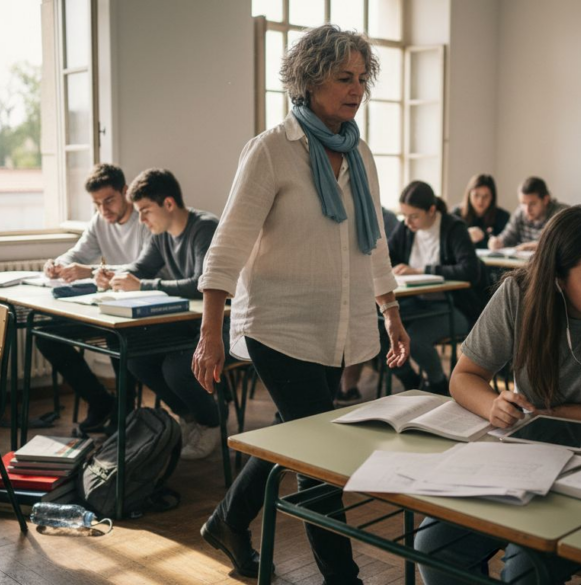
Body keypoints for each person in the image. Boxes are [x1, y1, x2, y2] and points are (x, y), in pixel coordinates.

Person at [190, 25, 409, 584]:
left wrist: (390, 312)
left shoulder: (359, 153)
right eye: (343, 78)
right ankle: (343, 576)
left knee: (295, 433)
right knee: (319, 455)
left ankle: (227, 521)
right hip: (278, 326)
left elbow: (373, 243)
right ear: (309, 81)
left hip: (337, 327)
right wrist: (210, 332)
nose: (356, 89)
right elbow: (228, 245)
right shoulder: (271, 150)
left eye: (361, 78)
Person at [414, 205, 581, 584]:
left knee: (526, 568)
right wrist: (492, 404)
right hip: (530, 461)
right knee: (433, 543)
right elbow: (464, 376)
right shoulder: (519, 294)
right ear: (558, 279)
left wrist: (553, 412)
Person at [94, 168, 222, 460]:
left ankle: (211, 422)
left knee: (177, 369)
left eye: (145, 211)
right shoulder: (160, 235)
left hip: (216, 324)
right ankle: (190, 417)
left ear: (168, 203)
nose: (141, 219)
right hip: (184, 323)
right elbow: (141, 268)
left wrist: (142, 285)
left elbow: (202, 282)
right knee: (137, 359)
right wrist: (114, 275)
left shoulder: (205, 228)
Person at [36, 163, 150, 434]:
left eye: (109, 200)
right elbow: (77, 253)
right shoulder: (100, 221)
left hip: (140, 310)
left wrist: (90, 271)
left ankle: (125, 412)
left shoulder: (145, 218)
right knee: (46, 336)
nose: (103, 209)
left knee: (116, 335)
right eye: (96, 204)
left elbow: (144, 267)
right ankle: (100, 401)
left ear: (125, 191)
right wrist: (56, 263)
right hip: (109, 307)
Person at [385, 181, 486, 395]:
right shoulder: (406, 229)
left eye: (414, 216)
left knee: (415, 339)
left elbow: (470, 270)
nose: (407, 222)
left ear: (431, 210)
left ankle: (439, 385)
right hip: (417, 303)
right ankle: (412, 382)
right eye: (404, 215)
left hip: (455, 307)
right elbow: (386, 257)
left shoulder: (453, 228)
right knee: (381, 330)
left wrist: (421, 270)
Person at [336, 206, 401, 404]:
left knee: (365, 324)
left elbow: (384, 257)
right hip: (354, 289)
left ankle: (349, 384)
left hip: (379, 293)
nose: (409, 221)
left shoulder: (386, 218)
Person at [487, 176, 567, 252]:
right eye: (523, 203)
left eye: (533, 204)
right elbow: (507, 237)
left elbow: (563, 245)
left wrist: (537, 246)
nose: (527, 209)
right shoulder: (520, 213)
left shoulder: (561, 214)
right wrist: (497, 242)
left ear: (545, 200)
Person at [451, 174, 510, 249]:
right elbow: (447, 240)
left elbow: (510, 242)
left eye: (486, 196)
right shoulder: (456, 214)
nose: (480, 201)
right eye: (476, 195)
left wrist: (498, 243)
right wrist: (464, 235)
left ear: (492, 197)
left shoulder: (502, 216)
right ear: (469, 195)